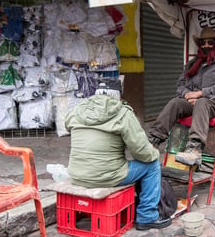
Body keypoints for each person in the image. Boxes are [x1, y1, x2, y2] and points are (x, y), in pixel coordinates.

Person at [65, 80, 172, 231]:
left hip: (77, 174)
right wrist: (154, 152)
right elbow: (142, 152)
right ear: (119, 96)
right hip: (107, 176)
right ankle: (147, 216)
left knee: (119, 161)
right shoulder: (123, 113)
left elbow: (67, 126)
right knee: (152, 165)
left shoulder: (77, 110)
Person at [148, 27, 215, 166]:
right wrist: (186, 95)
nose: (206, 45)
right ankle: (153, 141)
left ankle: (194, 149)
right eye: (203, 42)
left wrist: (200, 94)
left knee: (202, 103)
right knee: (175, 102)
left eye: (210, 42)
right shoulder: (193, 64)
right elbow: (181, 85)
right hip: (194, 102)